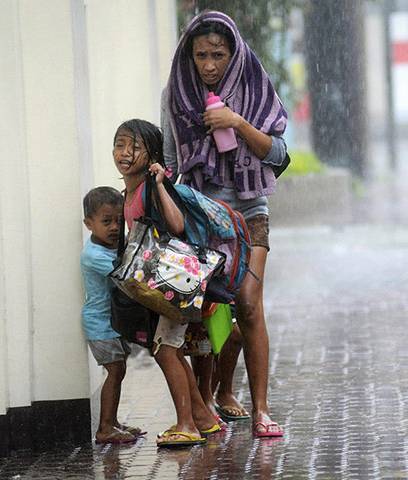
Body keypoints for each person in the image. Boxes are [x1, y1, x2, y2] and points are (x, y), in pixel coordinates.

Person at [162, 10, 288, 438]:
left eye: (218, 54)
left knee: (249, 305)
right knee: (208, 313)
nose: (210, 64)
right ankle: (209, 399)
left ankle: (262, 410)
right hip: (202, 219)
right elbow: (172, 164)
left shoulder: (254, 85)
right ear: (190, 55)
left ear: (233, 53)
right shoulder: (177, 94)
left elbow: (279, 156)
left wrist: (236, 122)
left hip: (250, 214)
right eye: (201, 55)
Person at [113, 118, 224, 447]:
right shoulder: (128, 191)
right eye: (120, 144)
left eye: (135, 147)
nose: (125, 152)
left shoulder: (151, 186)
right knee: (169, 350)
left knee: (166, 352)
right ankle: (202, 418)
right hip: (161, 287)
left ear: (152, 155)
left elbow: (176, 225)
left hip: (175, 283)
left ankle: (186, 424)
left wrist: (160, 184)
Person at [81, 186, 146, 444]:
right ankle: (105, 427)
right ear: (89, 223)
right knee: (116, 371)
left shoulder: (110, 247)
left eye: (120, 220)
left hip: (113, 322)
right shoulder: (93, 255)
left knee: (119, 370)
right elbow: (125, 272)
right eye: (106, 221)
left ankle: (113, 422)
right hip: (100, 324)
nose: (115, 228)